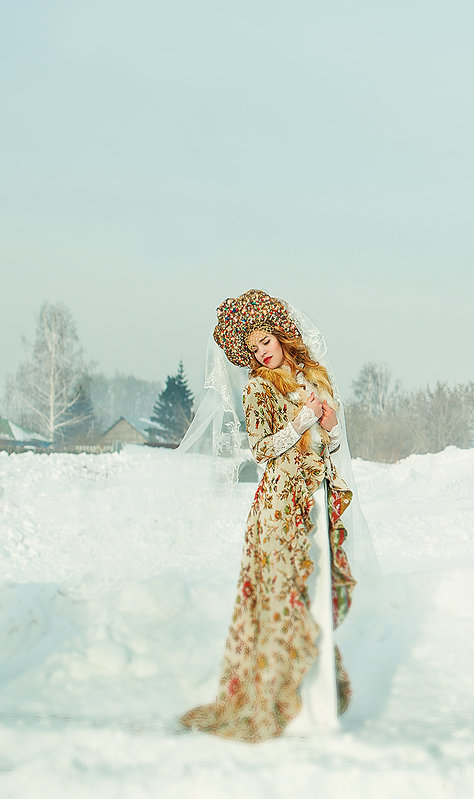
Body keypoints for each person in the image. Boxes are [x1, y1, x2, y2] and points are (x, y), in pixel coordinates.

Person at [180, 289, 359, 742]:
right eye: (254, 348)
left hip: (314, 498)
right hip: (280, 504)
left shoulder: (313, 377)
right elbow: (261, 450)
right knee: (283, 597)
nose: (263, 351)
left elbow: (330, 447)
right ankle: (279, 702)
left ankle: (316, 706)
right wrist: (300, 423)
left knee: (314, 589)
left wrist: (330, 425)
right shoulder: (260, 388)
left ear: (279, 335)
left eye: (267, 341)